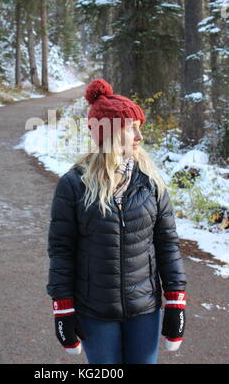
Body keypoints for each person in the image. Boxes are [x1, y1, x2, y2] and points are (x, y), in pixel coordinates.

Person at [46, 78, 187, 364]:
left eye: (139, 128)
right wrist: (63, 309)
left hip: (145, 309)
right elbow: (61, 251)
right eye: (130, 129)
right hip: (95, 312)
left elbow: (167, 244)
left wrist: (175, 301)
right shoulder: (74, 185)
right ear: (108, 134)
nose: (139, 137)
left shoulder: (151, 183)